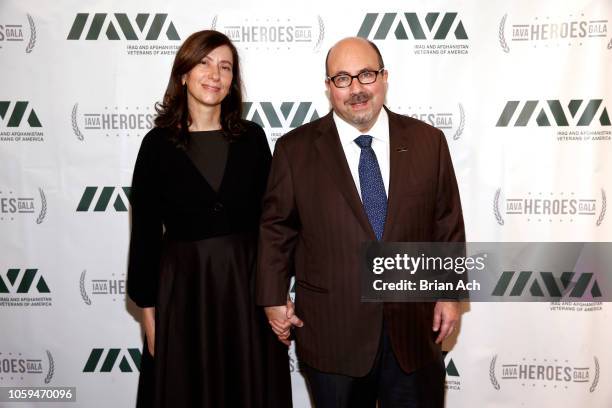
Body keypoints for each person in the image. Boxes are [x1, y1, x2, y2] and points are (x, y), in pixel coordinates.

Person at [257, 37, 465, 407]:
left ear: (384, 77)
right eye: (342, 78)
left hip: (414, 330)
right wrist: (273, 297)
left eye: (366, 75)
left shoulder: (427, 142)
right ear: (328, 87)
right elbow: (276, 230)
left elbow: (446, 222)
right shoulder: (295, 150)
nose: (356, 89)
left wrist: (449, 293)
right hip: (333, 332)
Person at [127, 30, 292, 408]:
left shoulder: (252, 138)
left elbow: (274, 224)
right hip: (183, 295)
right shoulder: (156, 146)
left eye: (225, 67)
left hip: (246, 290)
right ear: (183, 73)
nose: (214, 74)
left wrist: (277, 293)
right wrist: (149, 317)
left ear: (233, 81)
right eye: (204, 62)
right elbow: (145, 237)